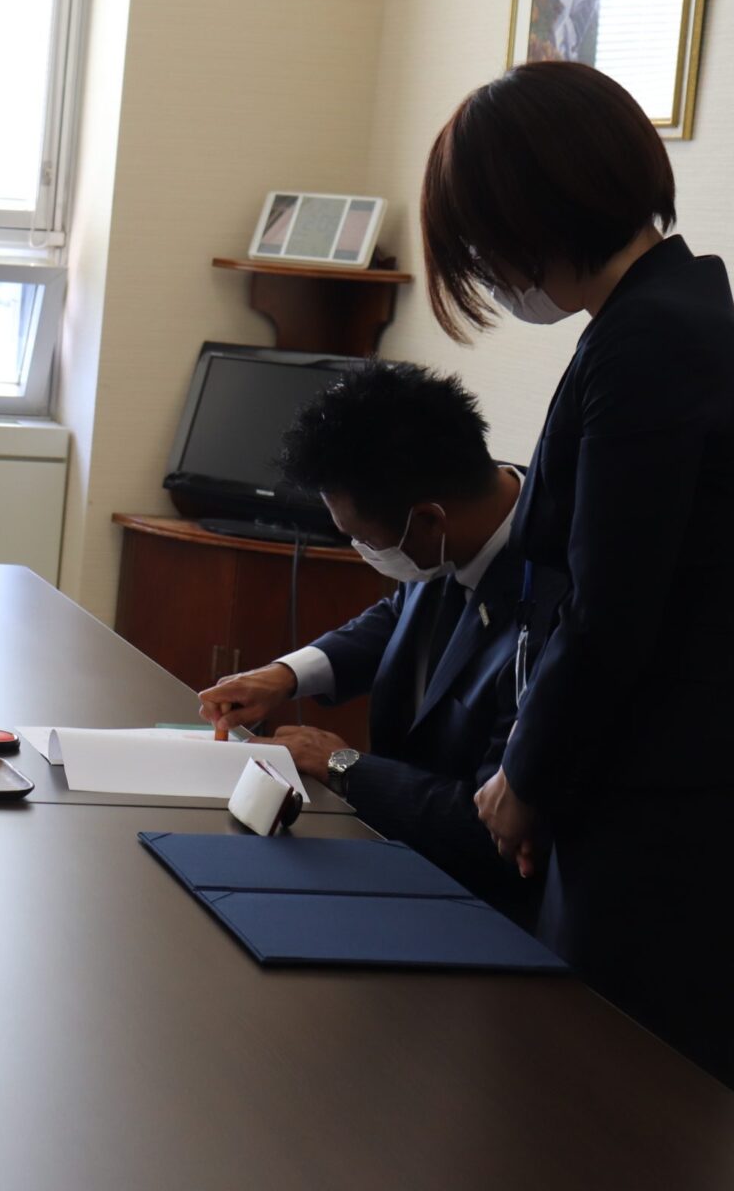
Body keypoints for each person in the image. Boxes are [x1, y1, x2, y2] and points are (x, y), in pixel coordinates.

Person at [422, 59, 734, 1087]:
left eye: (481, 240)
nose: (486, 268)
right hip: (636, 779)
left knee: (601, 1098)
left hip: (660, 801)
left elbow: (610, 608)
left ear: (533, 212)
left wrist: (528, 779)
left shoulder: (651, 340)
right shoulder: (667, 309)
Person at [198, 362, 534, 921]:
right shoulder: (462, 518)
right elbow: (401, 613)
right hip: (395, 849)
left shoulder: (556, 592)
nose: (362, 551)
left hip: (476, 900)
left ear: (429, 521)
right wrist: (286, 675)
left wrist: (341, 763)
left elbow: (487, 824)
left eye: (363, 539)